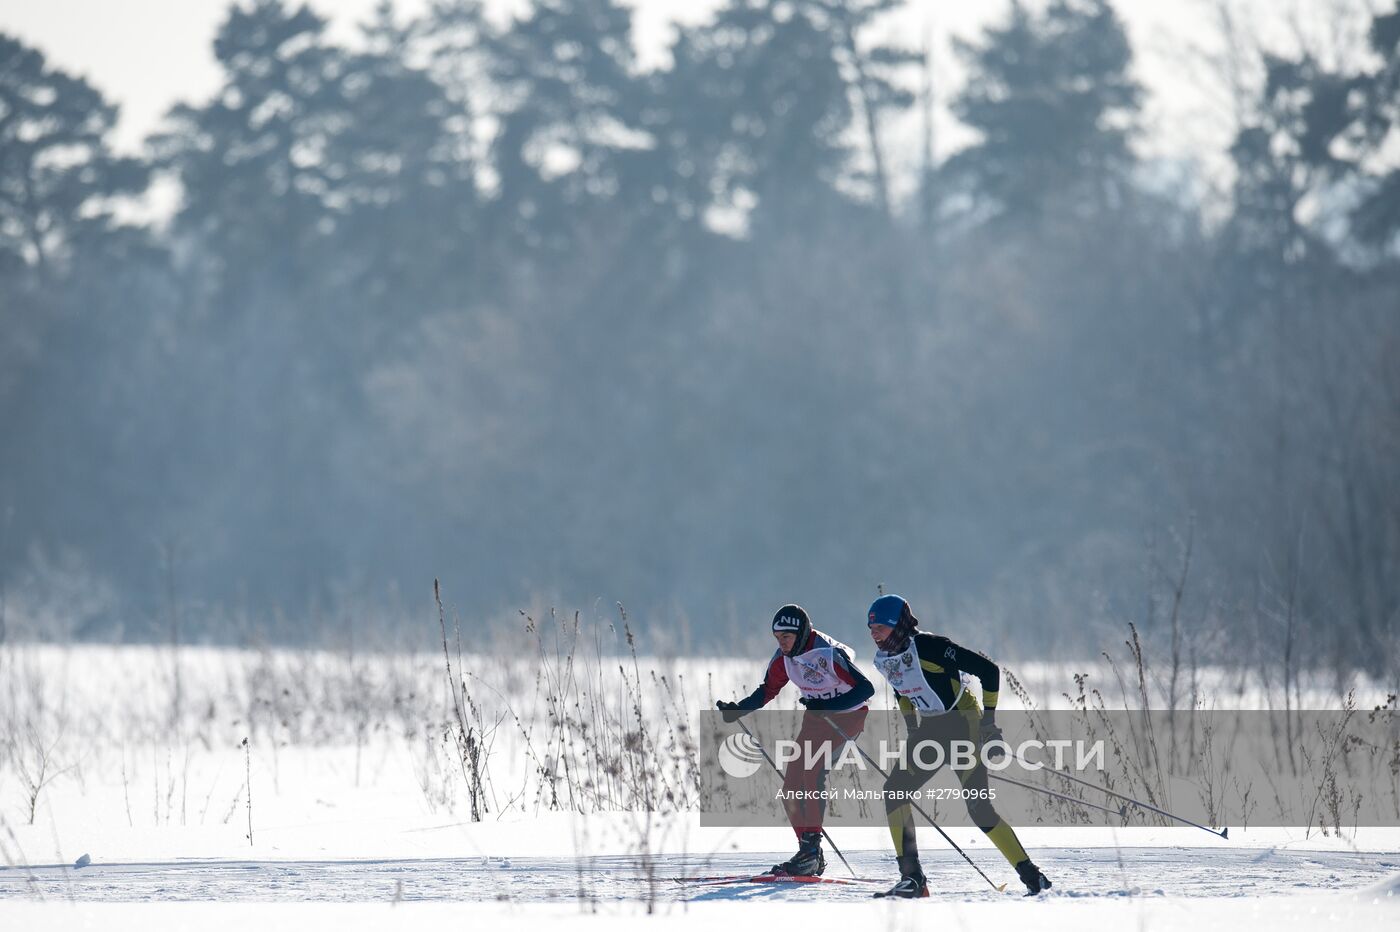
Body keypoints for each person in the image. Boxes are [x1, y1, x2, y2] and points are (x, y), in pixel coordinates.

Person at [865, 593, 1051, 898]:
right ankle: (912, 880)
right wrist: (913, 728)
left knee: (979, 809)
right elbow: (903, 689)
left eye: (880, 628)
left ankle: (1033, 877)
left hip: (964, 727)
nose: (874, 634)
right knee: (894, 792)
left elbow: (989, 672)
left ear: (898, 626)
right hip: (932, 729)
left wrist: (989, 726)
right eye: (870, 629)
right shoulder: (886, 659)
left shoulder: (932, 647)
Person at [716, 604, 874, 876]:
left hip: (847, 717)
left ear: (800, 633)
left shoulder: (827, 653)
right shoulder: (783, 659)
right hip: (816, 720)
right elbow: (768, 690)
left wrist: (828, 707)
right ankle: (808, 853)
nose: (782, 644)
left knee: (812, 773)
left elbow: (866, 689)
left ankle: (811, 851)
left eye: (786, 638)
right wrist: (738, 709)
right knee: (790, 787)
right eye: (777, 639)